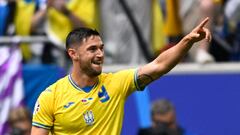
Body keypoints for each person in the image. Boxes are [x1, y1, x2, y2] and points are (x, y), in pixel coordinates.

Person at [31, 17, 211, 135]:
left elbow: (159, 65)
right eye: (92, 49)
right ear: (73, 54)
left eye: (101, 48)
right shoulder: (51, 97)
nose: (100, 54)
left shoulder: (116, 83)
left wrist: (187, 41)